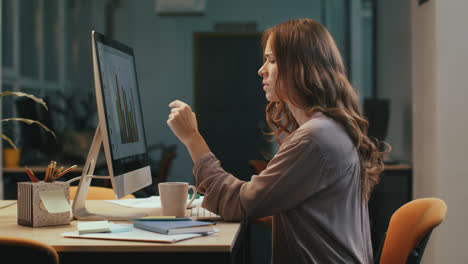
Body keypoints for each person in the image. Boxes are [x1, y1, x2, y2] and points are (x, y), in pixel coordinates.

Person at [167, 18, 386, 264]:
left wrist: (192, 138)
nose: (262, 69)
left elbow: (241, 204)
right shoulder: (328, 129)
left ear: (299, 67)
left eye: (271, 60)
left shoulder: (315, 137)